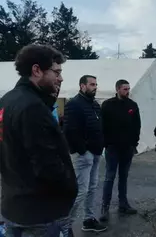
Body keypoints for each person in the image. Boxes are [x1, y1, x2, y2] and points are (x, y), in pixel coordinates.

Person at [0, 44, 78, 237]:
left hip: (13, 204)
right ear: (36, 70)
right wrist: (69, 188)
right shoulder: (32, 108)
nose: (61, 78)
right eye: (56, 72)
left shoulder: (7, 100)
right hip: (39, 212)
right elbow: (47, 165)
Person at [63, 75, 107, 233]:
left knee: (92, 188)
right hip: (83, 155)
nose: (95, 87)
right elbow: (69, 131)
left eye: (96, 84)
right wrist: (83, 150)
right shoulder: (73, 104)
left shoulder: (94, 104)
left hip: (96, 153)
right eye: (92, 84)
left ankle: (88, 219)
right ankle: (65, 226)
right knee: (80, 191)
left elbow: (99, 127)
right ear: (82, 86)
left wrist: (100, 146)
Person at [100, 79, 141, 221]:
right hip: (112, 148)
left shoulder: (133, 105)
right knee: (109, 177)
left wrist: (134, 143)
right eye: (125, 89)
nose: (127, 91)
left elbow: (137, 126)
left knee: (123, 176)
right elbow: (102, 126)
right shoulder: (107, 105)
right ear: (117, 89)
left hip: (127, 148)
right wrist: (106, 143)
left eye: (128, 89)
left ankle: (123, 204)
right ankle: (104, 206)